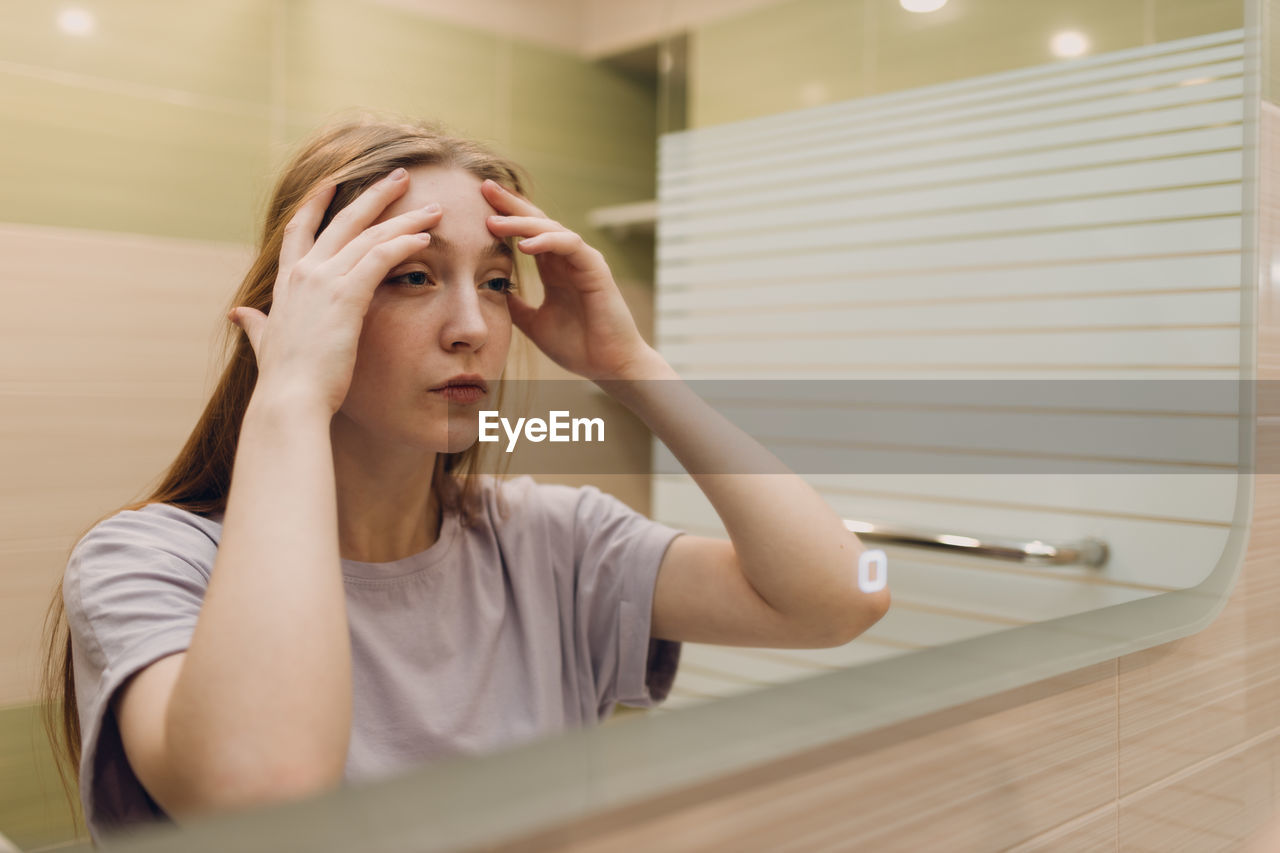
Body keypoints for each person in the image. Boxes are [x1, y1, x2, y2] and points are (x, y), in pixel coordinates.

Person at [39, 115, 890, 844]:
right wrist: (290, 395)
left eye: (493, 280)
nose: (474, 327)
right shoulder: (147, 562)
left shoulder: (550, 541)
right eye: (412, 275)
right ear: (306, 301)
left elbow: (841, 594)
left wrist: (633, 368)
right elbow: (266, 783)